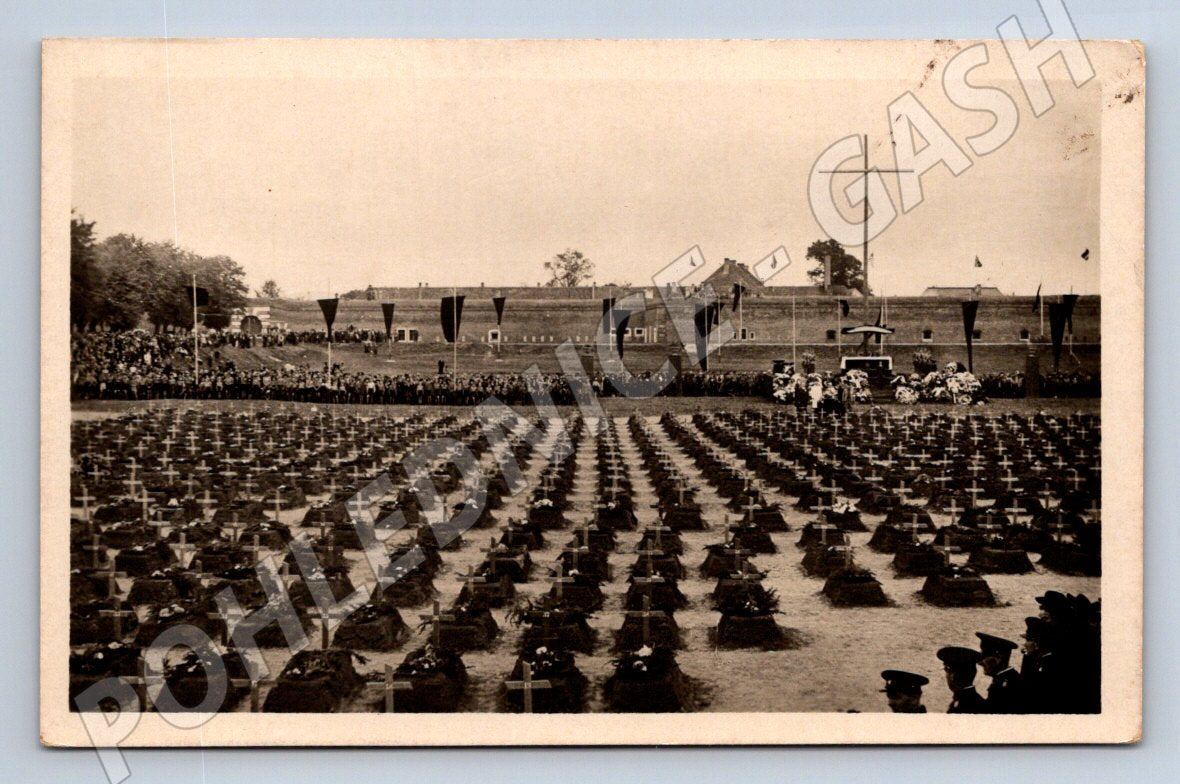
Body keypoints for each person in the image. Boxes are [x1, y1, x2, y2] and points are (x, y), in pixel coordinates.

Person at [976, 631, 1026, 713]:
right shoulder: (1006, 679)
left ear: (998, 658)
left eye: (984, 657)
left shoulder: (1009, 685)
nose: (979, 663)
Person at [936, 646, 987, 713]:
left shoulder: (963, 704)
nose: (946, 676)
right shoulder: (977, 702)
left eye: (947, 671)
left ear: (952, 676)